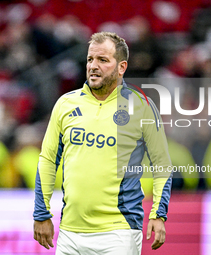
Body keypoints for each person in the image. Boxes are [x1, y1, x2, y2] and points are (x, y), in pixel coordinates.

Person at [33, 31, 172, 254]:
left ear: (121, 68)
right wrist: (42, 213)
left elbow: (162, 164)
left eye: (103, 60)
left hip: (119, 232)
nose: (93, 66)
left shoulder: (142, 106)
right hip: (69, 232)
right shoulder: (65, 104)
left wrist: (158, 213)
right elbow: (48, 160)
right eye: (90, 59)